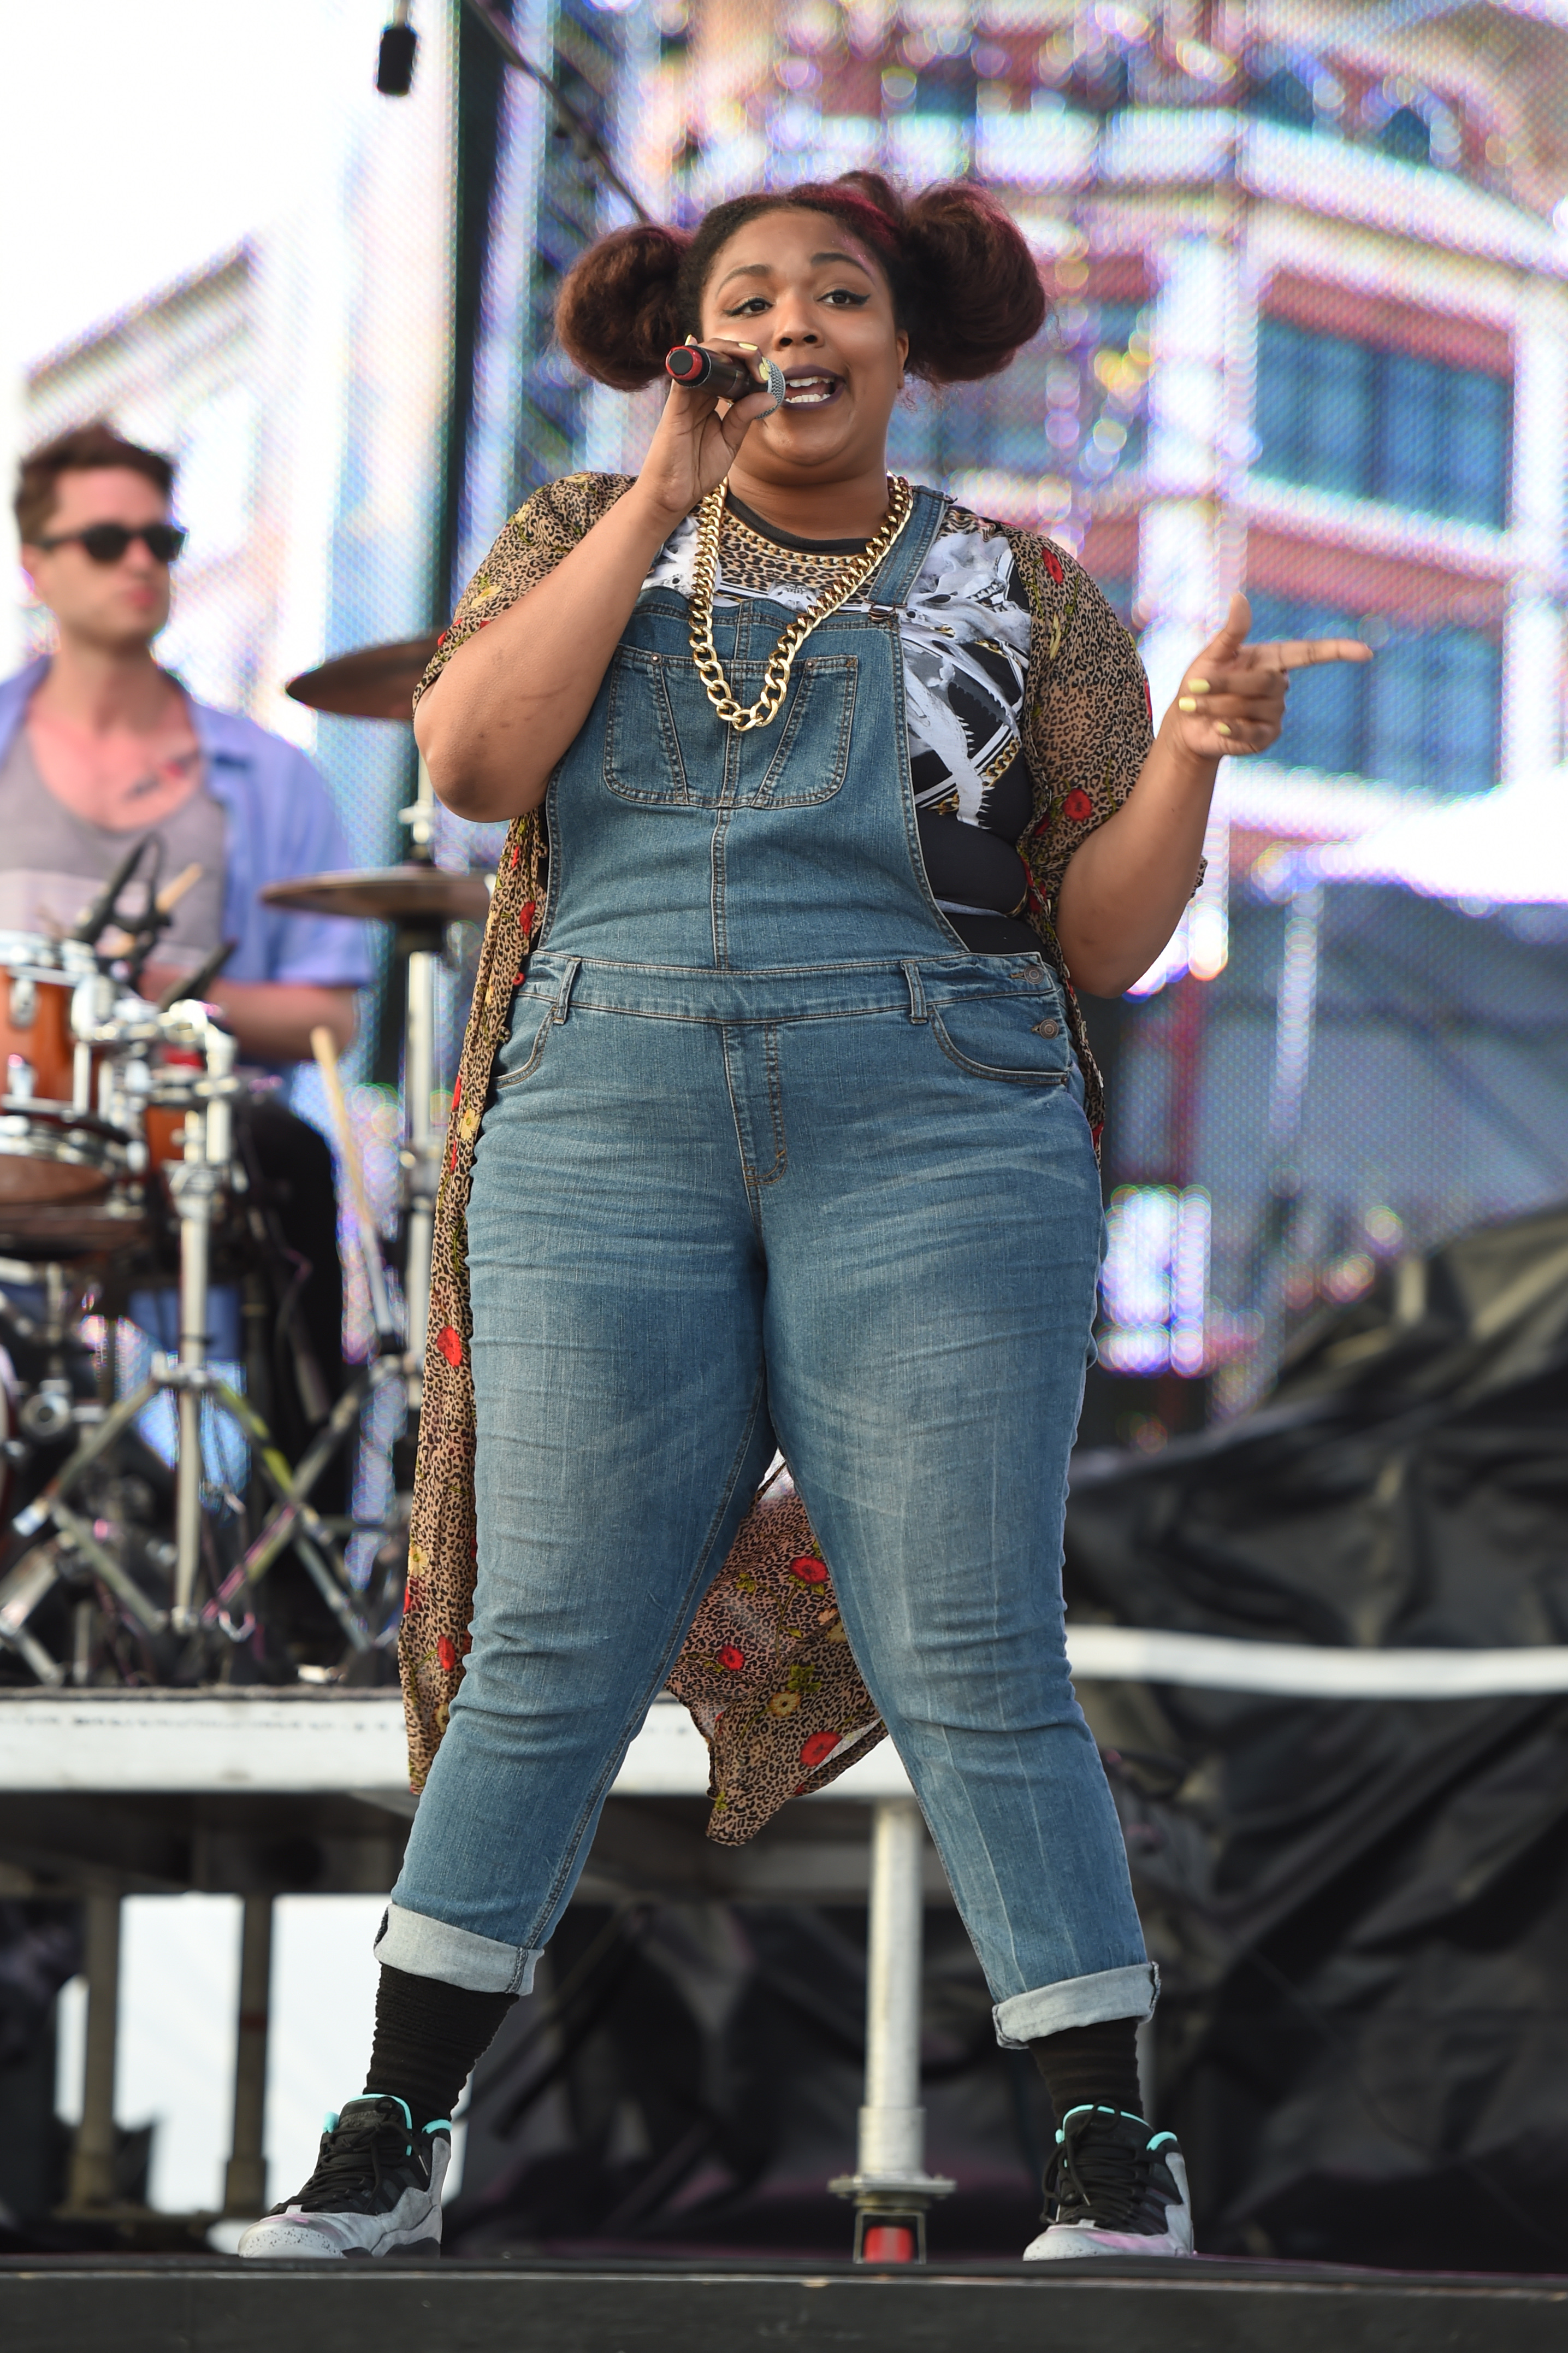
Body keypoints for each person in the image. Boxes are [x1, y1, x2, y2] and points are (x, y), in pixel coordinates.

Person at [239, 173, 1366, 2261]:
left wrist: (1194, 757)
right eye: (745, 293)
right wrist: (662, 484)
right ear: (688, 339)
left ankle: (1110, 2150)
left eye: (836, 290)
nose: (791, 320)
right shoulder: (582, 534)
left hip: (938, 1116)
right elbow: (476, 762)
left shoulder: (1020, 591)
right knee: (552, 1641)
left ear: (906, 339)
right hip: (607, 1111)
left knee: (970, 1639)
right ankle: (391, 2130)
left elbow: (1097, 939)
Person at [2, 422, 373, 1543]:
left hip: (196, 1131)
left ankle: (286, 1555)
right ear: (36, 565)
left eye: (160, 538)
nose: (140, 563)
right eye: (105, 538)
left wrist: (163, 994)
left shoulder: (273, 776)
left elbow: (327, 1016)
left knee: (292, 1157)